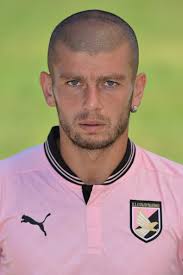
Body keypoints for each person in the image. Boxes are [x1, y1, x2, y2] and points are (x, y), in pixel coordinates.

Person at [0, 9, 183, 275]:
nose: (92, 103)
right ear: (48, 89)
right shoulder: (4, 188)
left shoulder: (178, 191)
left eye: (110, 83)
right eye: (74, 82)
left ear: (137, 90)